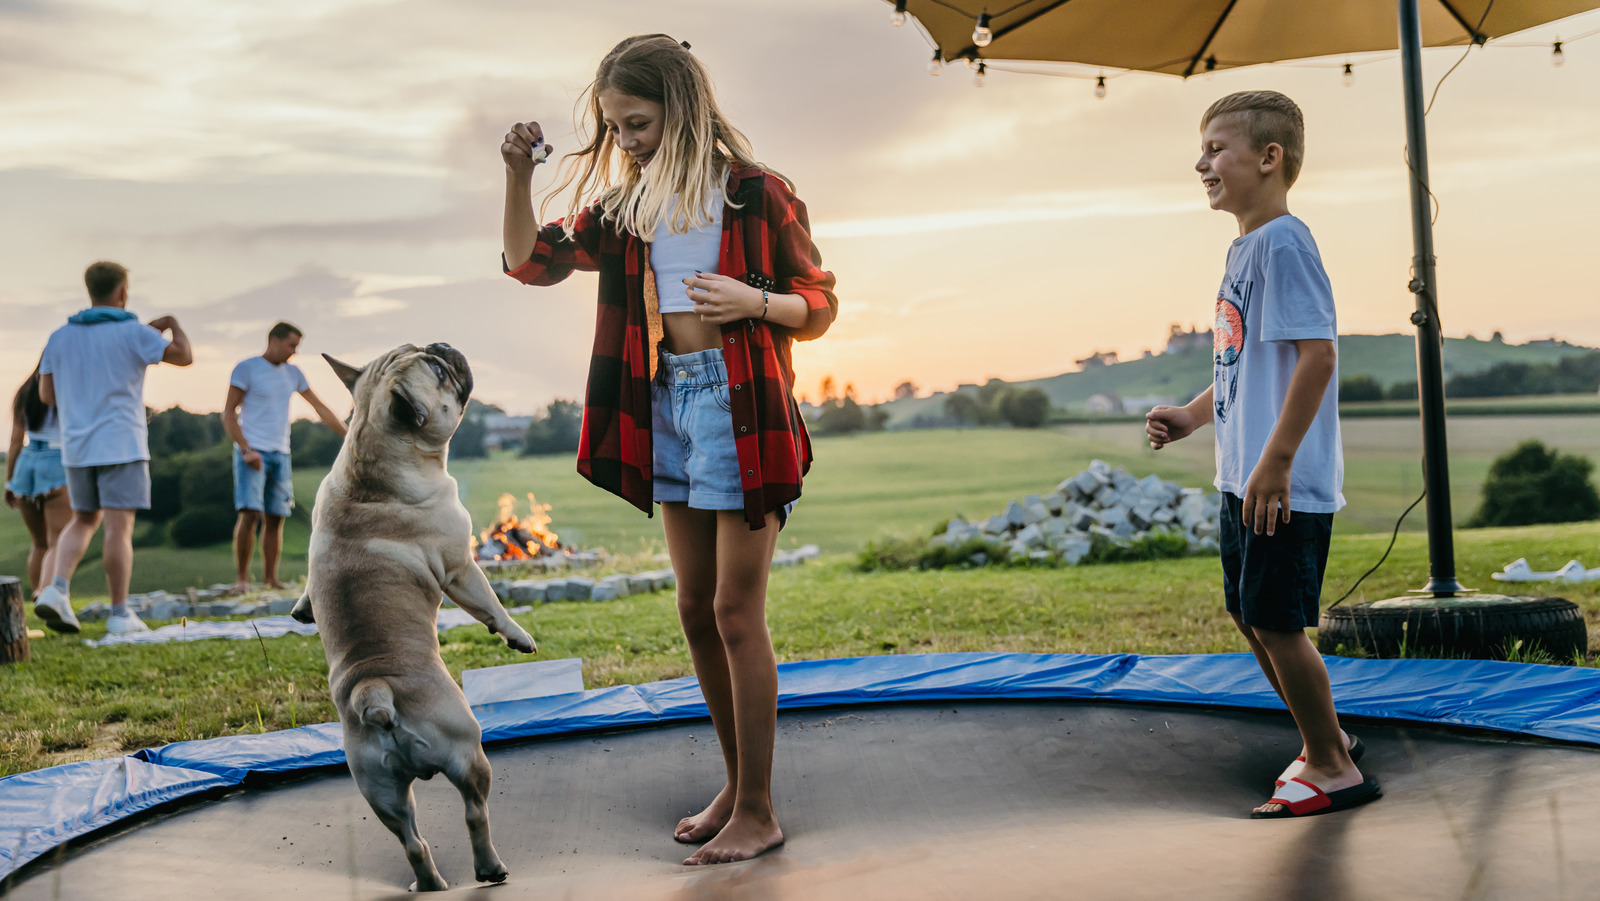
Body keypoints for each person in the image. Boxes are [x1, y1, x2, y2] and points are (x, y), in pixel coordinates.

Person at [499, 35, 837, 864]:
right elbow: (527, 262)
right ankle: (734, 782)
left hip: (738, 405)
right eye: (615, 128)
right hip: (662, 403)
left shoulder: (756, 194)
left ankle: (758, 807)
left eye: (638, 123)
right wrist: (515, 175)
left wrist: (754, 300)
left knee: (732, 609)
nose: (626, 141)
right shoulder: (625, 208)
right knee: (692, 608)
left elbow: (820, 306)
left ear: (681, 108)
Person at [1144, 91, 1380, 818]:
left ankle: (1334, 764)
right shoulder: (1245, 247)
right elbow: (1239, 357)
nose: (1201, 162)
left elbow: (1317, 358)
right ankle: (1325, 734)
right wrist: (1191, 415)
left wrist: (1276, 459)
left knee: (1278, 622)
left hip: (1280, 480)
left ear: (1269, 158)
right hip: (1242, 477)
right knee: (1250, 615)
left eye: (1217, 148)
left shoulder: (1285, 241)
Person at [33, 261, 192, 634]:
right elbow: (184, 357)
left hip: (76, 445)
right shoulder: (133, 332)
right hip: (122, 442)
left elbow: (47, 395)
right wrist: (171, 322)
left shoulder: (59, 337)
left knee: (84, 519)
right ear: (122, 292)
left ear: (89, 290)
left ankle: (56, 590)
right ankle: (120, 614)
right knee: (118, 529)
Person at [222, 322, 347, 594]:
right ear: (274, 341)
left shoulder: (294, 373)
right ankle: (242, 580)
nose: (294, 352)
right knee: (250, 513)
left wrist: (349, 435)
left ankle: (270, 579)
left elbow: (319, 407)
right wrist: (246, 449)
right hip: (251, 451)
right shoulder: (247, 368)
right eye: (291, 345)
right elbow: (228, 413)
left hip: (281, 452)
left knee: (276, 517)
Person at [6, 364, 72, 600]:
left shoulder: (24, 393)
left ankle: (39, 598)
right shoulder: (66, 391)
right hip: (57, 463)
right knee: (58, 542)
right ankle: (48, 595)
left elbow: (15, 440)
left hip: (27, 464)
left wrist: (10, 481)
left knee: (39, 544)